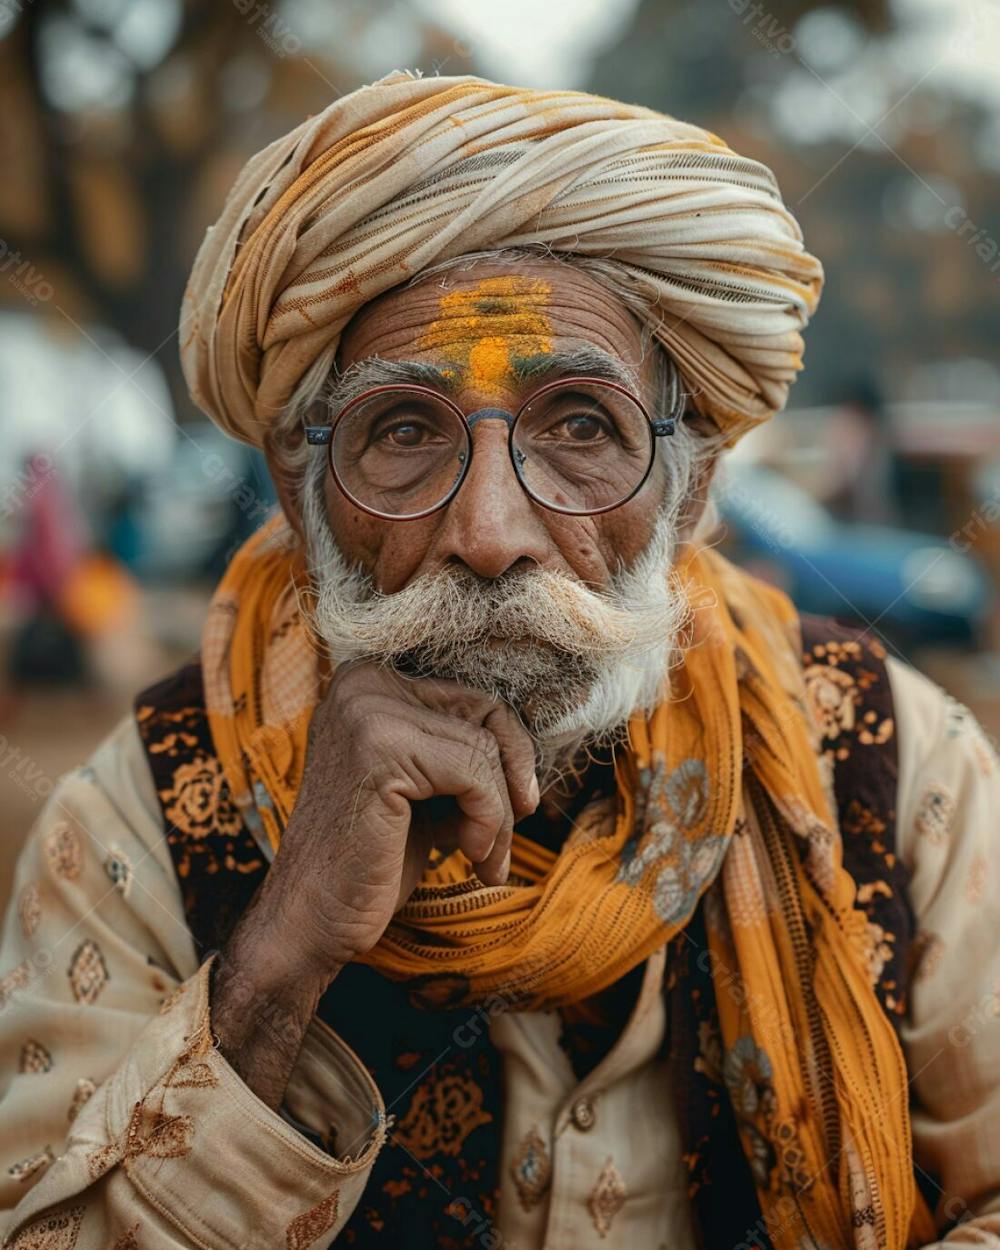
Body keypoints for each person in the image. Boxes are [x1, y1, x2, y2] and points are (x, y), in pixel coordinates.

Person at [1, 72, 998, 1250]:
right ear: (301, 489)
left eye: (580, 425)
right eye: (406, 431)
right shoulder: (139, 819)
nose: (487, 533)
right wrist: (276, 958)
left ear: (692, 492)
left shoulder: (891, 762)